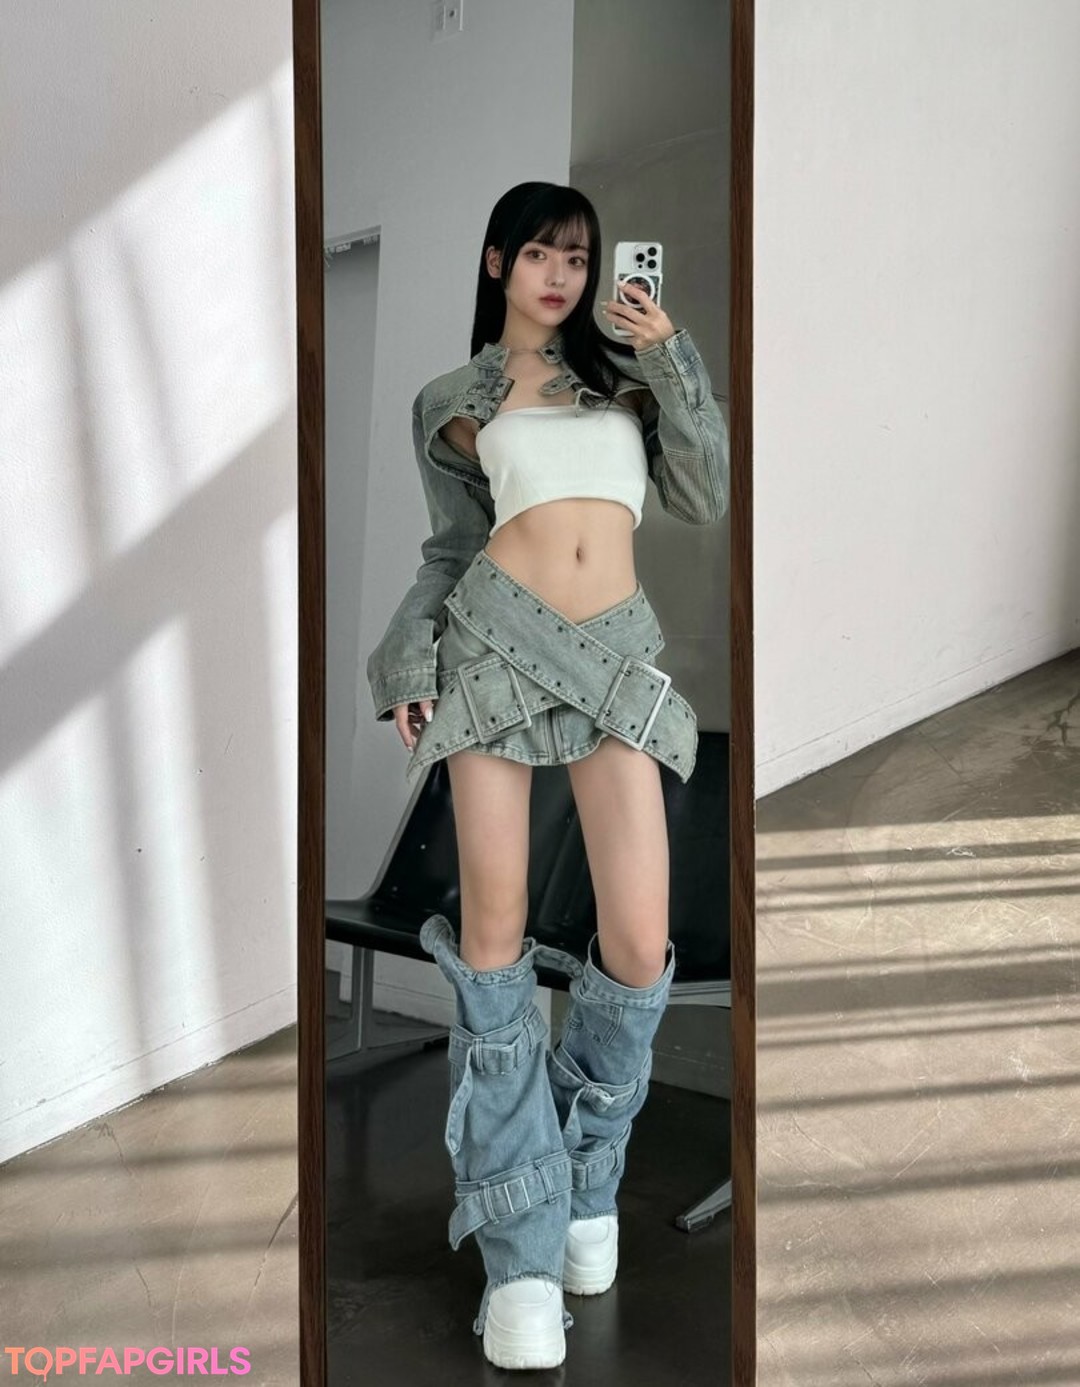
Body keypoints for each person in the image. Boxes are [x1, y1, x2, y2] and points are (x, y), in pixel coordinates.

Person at [365, 181, 729, 1370]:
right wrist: (409, 660)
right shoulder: (451, 402)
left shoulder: (627, 386)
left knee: (637, 941)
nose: (562, 275)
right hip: (494, 650)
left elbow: (706, 492)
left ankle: (582, 1181)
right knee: (495, 939)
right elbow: (449, 551)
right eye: (540, 254)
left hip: (613, 656)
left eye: (577, 256)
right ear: (498, 263)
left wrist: (667, 351)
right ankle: (521, 1253)